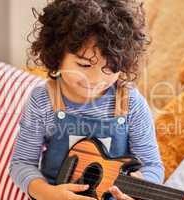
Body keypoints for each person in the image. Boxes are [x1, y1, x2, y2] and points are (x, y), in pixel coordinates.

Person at [9, 0, 165, 200]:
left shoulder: (131, 103)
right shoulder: (43, 100)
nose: (95, 79)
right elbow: (22, 163)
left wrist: (141, 189)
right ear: (57, 55)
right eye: (83, 65)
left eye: (109, 68)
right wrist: (50, 194)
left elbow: (152, 166)